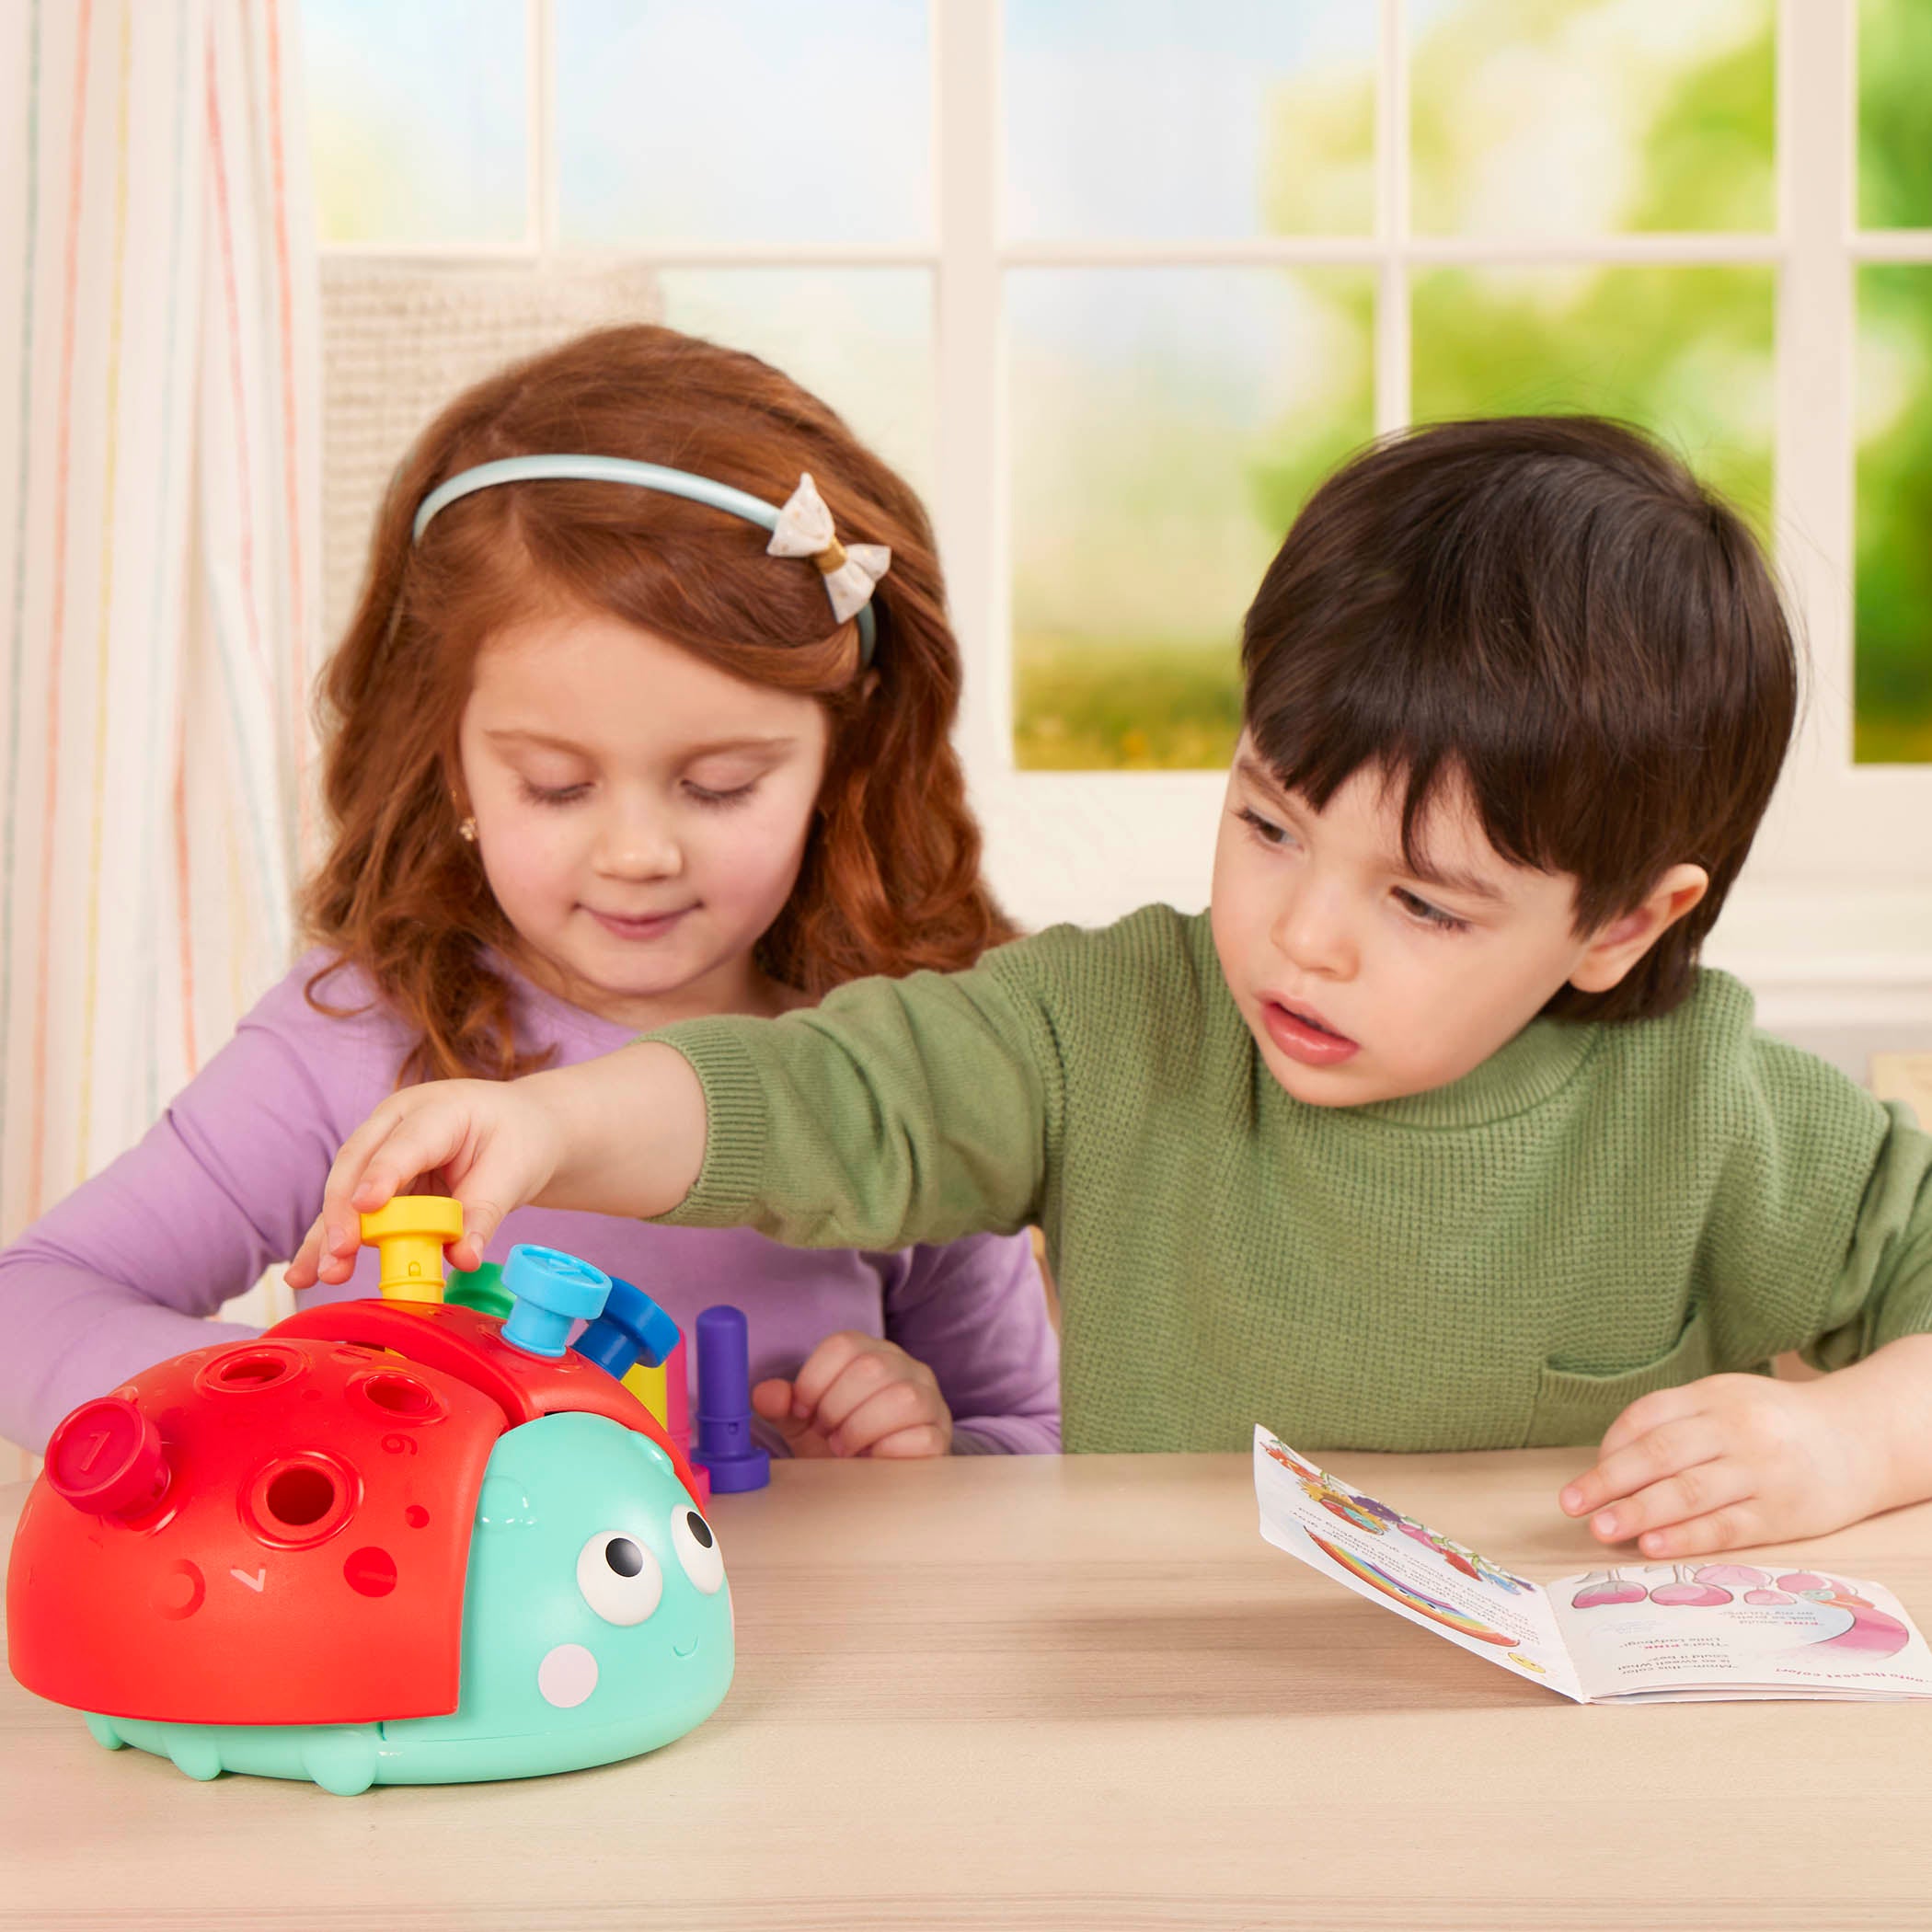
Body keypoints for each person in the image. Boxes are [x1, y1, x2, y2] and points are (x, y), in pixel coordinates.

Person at [295, 416, 1932, 1559]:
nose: (1305, 937)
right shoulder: (1117, 1024)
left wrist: (1849, 1441)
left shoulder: (1715, 1113)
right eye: (1268, 824)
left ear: (1622, 927)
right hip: (1162, 1688)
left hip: (1564, 1756)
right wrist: (555, 1125)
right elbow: (833, 1091)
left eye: (1426, 904)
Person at [0, 324, 1060, 1460]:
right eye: (556, 787)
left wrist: (929, 1452)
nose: (637, 852)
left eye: (719, 785)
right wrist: (294, 1414)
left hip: (811, 1641)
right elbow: (34, 1305)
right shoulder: (358, 1042)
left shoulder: (893, 1063)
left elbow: (1032, 1437)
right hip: (422, 1643)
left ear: (837, 765)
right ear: (450, 760)